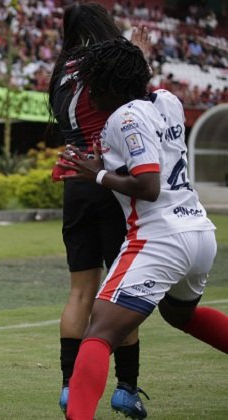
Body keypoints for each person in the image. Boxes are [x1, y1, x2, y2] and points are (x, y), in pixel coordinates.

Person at [58, 37, 228, 420]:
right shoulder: (168, 100)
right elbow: (154, 156)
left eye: (92, 86)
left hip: (160, 236)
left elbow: (148, 186)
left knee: (99, 333)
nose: (88, 96)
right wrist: (102, 161)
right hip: (198, 230)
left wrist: (97, 174)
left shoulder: (124, 117)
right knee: (180, 315)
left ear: (109, 85)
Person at [47, 3, 146, 417]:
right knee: (121, 292)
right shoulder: (109, 60)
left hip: (73, 182)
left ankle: (70, 386)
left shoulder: (60, 70)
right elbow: (138, 101)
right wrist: (139, 53)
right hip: (109, 181)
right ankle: (126, 387)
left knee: (80, 291)